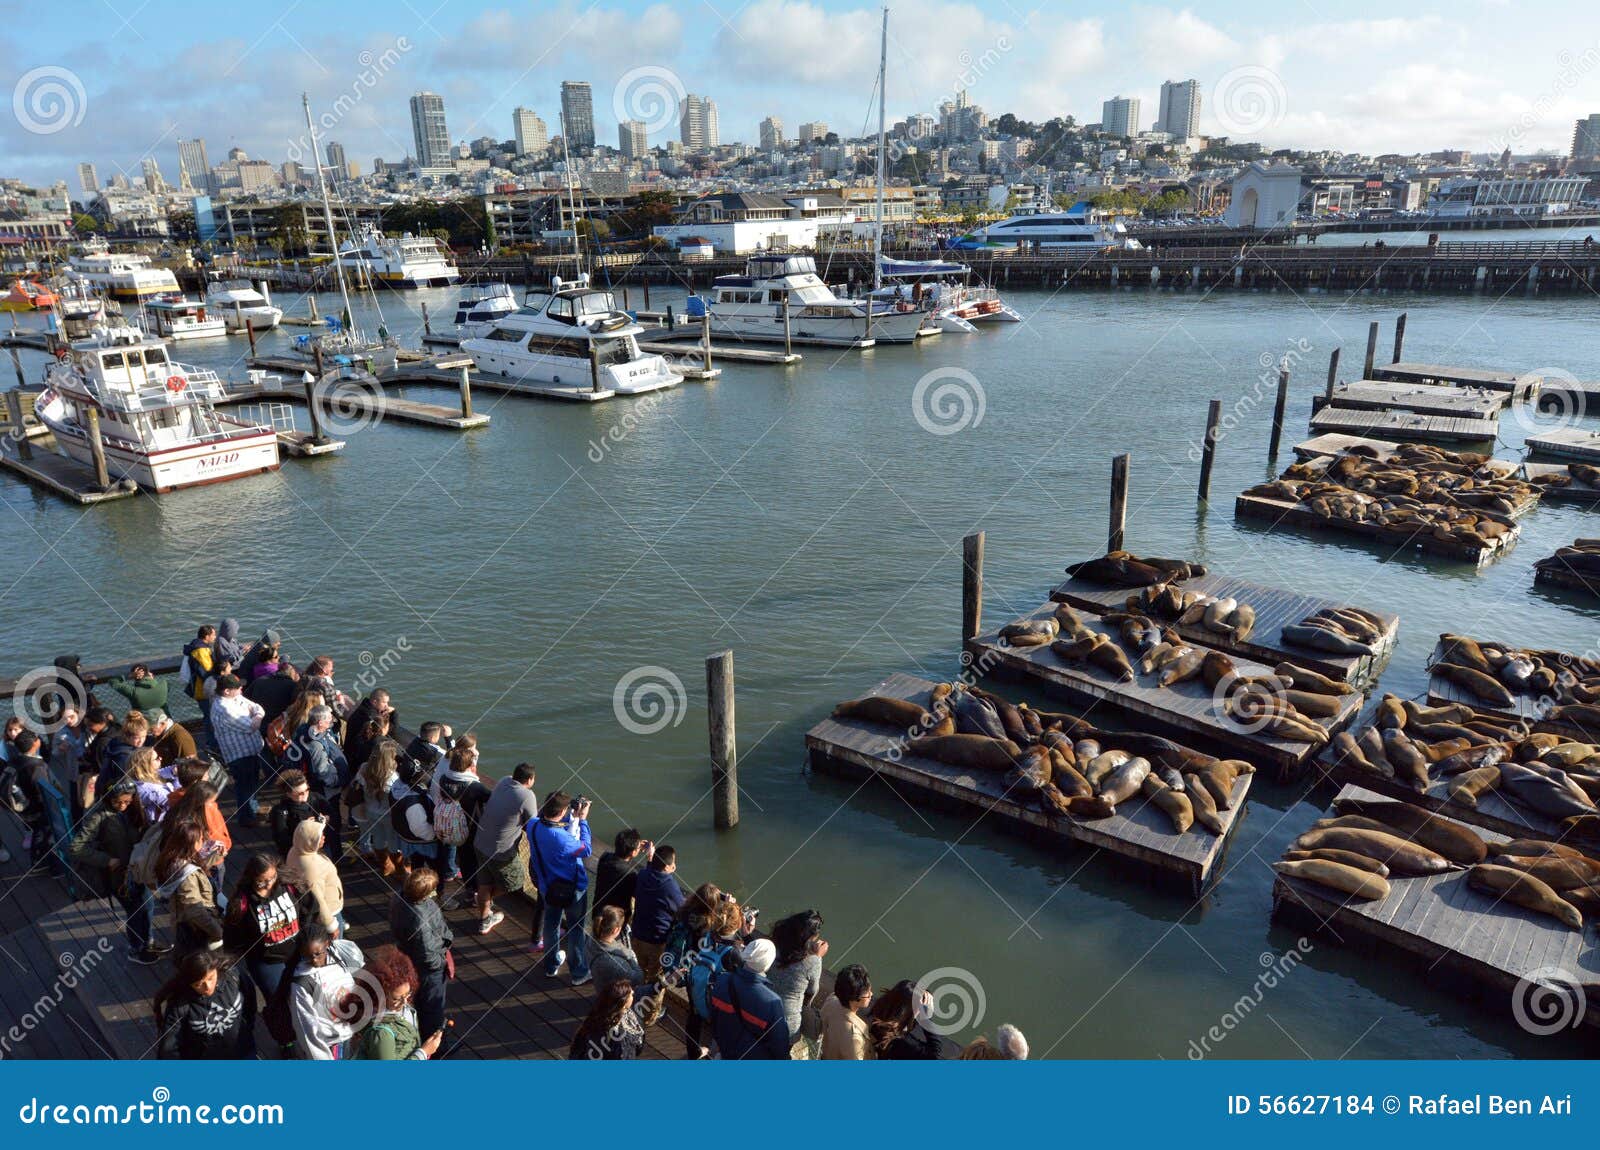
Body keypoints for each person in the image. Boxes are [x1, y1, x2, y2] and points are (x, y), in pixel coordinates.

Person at [68, 780, 169, 964]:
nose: (122, 806)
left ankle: (148, 941)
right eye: (118, 802)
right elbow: (76, 847)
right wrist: (106, 860)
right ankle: (136, 948)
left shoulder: (132, 808)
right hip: (117, 875)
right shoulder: (96, 816)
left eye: (127, 802)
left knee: (147, 904)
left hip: (137, 868)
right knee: (134, 909)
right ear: (109, 798)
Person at [223, 852, 302, 1048]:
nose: (268, 885)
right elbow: (232, 941)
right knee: (278, 1004)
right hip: (267, 962)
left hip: (297, 954)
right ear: (252, 878)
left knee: (304, 997)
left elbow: (309, 910)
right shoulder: (242, 903)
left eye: (272, 878)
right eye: (261, 882)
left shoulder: (288, 885)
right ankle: (286, 1041)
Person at [528, 791, 593, 985]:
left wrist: (569, 817)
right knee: (575, 930)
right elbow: (586, 849)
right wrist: (582, 820)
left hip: (547, 887)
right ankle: (579, 972)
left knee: (551, 925)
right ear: (563, 810)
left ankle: (551, 965)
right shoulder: (563, 839)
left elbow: (549, 823)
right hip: (573, 890)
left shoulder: (532, 826)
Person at [471, 761, 538, 937]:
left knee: (484, 882)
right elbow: (533, 823)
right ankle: (485, 903)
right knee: (515, 880)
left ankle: (485, 915)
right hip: (500, 851)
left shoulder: (504, 780)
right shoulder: (527, 795)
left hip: (480, 842)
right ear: (530, 779)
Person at [344, 947, 442, 1060]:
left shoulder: (397, 1007)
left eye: (408, 994)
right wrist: (423, 1052)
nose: (405, 1002)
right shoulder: (381, 1033)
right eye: (397, 998)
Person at [388, 866, 451, 1038]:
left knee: (418, 1001)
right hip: (428, 969)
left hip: (408, 957)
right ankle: (436, 1046)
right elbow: (428, 954)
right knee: (433, 1007)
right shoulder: (420, 920)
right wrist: (441, 962)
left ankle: (419, 1034)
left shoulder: (399, 896)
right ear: (424, 895)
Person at [154, 951, 253, 1059]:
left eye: (211, 977)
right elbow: (169, 1048)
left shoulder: (234, 977)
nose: (207, 987)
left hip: (244, 1052)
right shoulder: (179, 1006)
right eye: (198, 984)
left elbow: (250, 1006)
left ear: (217, 968)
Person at [709, 938, 790, 1060]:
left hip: (724, 1051)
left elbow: (714, 1017)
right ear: (767, 965)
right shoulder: (772, 1002)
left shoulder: (722, 980)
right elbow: (779, 1046)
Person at [287, 922, 357, 1060]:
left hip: (352, 1033)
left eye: (318, 954)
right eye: (307, 956)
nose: (314, 960)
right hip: (332, 1045)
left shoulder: (337, 956)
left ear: (327, 944)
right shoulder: (302, 984)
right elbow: (307, 1030)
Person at [153, 823, 223, 961]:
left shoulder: (173, 860)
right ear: (192, 842)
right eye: (201, 839)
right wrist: (217, 931)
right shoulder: (187, 875)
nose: (203, 841)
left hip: (182, 923)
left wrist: (214, 856)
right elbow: (194, 910)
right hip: (197, 929)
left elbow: (193, 871)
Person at [768, 909, 826, 1059]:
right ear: (810, 938)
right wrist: (817, 956)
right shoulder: (812, 961)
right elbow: (812, 990)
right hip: (787, 1023)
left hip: (763, 1008)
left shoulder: (776, 943)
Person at [210, 674, 267, 825]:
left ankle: (253, 810)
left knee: (252, 782)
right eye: (237, 687)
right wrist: (257, 717)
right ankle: (246, 818)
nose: (241, 688)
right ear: (227, 691)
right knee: (244, 786)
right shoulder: (224, 709)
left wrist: (257, 715)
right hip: (239, 755)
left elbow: (257, 708)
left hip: (250, 751)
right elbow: (251, 726)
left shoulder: (235, 698)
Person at [431, 739, 489, 885]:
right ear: (470, 766)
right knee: (471, 859)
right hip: (470, 827)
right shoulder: (475, 786)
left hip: (449, 823)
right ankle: (473, 888)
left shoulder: (445, 779)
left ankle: (464, 885)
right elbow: (492, 799)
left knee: (462, 857)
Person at [291, 704, 348, 853]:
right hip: (326, 791)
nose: (332, 722)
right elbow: (322, 772)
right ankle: (334, 854)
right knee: (331, 822)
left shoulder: (304, 730)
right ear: (320, 723)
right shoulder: (315, 745)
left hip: (315, 786)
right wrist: (337, 782)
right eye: (329, 720)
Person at [630, 844, 686, 979]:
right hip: (657, 942)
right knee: (656, 980)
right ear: (667, 867)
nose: (674, 865)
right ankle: (650, 999)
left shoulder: (643, 875)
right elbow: (683, 909)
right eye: (673, 863)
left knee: (639, 973)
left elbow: (651, 874)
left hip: (637, 936)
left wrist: (650, 859)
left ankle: (635, 996)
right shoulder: (670, 886)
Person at [281, 815, 344, 936]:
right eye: (319, 837)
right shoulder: (311, 868)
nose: (323, 837)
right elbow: (318, 899)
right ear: (310, 841)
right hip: (329, 912)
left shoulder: (295, 850)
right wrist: (331, 926)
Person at [352, 738, 403, 876]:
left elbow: (358, 783)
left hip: (370, 811)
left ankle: (385, 865)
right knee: (393, 842)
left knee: (378, 839)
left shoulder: (364, 768)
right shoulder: (392, 778)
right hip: (388, 815)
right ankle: (399, 869)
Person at [569, 979, 646, 1060]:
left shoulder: (595, 1017)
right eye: (631, 994)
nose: (633, 993)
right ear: (623, 1002)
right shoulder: (619, 1036)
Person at [869, 979, 944, 1059]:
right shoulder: (901, 1042)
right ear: (910, 1010)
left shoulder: (879, 1018)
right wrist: (926, 1018)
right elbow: (935, 1055)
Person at [593, 828, 650, 930]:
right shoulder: (630, 875)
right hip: (614, 921)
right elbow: (644, 890)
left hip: (598, 912)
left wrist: (634, 845)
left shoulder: (605, 857)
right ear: (633, 853)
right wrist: (650, 860)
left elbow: (620, 859)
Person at [390, 758, 438, 873]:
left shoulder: (397, 785)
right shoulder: (413, 803)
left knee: (416, 863)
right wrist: (435, 835)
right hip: (420, 841)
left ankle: (417, 875)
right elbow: (419, 829)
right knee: (433, 865)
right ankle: (428, 885)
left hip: (405, 835)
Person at [268, 768, 329, 856]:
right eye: (299, 793)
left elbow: (333, 816)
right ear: (288, 794)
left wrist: (327, 819)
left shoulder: (316, 798)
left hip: (322, 848)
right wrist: (303, 828)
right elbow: (282, 840)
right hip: (298, 854)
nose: (305, 795)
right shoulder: (280, 812)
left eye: (307, 790)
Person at [586, 905, 644, 993]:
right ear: (615, 930)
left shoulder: (590, 940)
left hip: (600, 985)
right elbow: (638, 978)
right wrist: (631, 955)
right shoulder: (616, 963)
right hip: (615, 997)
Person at [820, 964, 873, 1060]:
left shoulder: (832, 1000)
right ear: (855, 998)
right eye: (867, 993)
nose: (871, 994)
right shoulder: (854, 1036)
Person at [95, 710, 148, 797]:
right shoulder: (124, 757)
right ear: (127, 736)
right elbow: (126, 783)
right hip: (113, 793)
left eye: (144, 736)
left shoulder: (115, 743)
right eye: (137, 738)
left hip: (105, 788)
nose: (141, 741)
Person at [343, 689, 396, 767]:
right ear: (374, 702)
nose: (387, 706)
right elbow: (388, 731)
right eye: (384, 702)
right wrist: (394, 713)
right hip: (355, 759)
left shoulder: (363, 708)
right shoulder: (370, 717)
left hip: (349, 752)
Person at [125, 747, 174, 825]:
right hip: (159, 826)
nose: (160, 758)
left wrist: (173, 771)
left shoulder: (137, 780)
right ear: (146, 765)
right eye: (156, 758)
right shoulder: (150, 789)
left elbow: (161, 772)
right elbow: (175, 801)